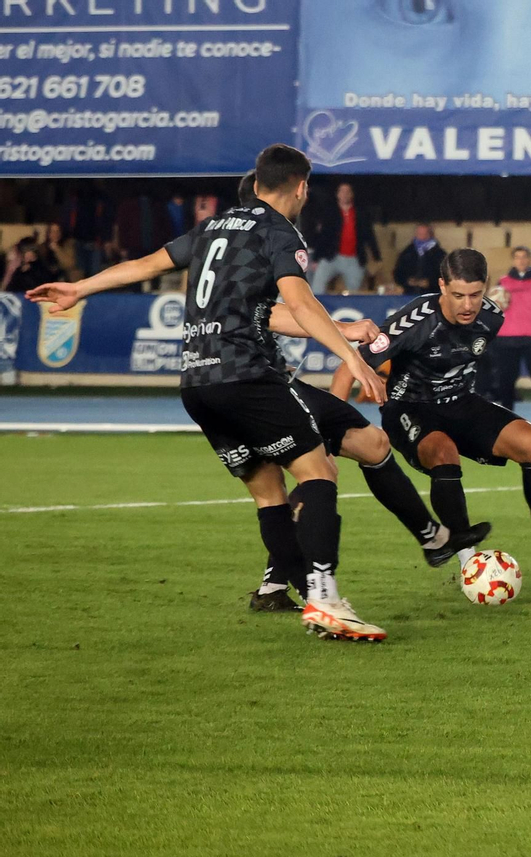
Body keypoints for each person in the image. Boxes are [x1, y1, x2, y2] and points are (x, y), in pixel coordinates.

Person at [27, 144, 390, 641]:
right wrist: (351, 357)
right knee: (318, 470)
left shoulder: (213, 227)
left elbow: (148, 264)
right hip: (245, 374)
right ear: (301, 187)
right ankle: (324, 598)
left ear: (258, 182)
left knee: (268, 495)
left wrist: (79, 288)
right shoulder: (280, 232)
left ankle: (304, 595)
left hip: (197, 383)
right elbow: (302, 305)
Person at [230, 170, 475, 614]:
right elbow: (280, 314)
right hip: (259, 385)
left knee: (361, 447)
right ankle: (319, 589)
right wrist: (346, 339)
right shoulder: (261, 245)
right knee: (319, 474)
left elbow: (263, 315)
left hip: (235, 386)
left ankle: (428, 537)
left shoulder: (232, 249)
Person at [330, 248, 531, 588]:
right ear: (441, 286)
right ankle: (468, 558)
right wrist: (332, 427)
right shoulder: (415, 321)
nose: (467, 305)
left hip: (461, 402)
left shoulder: (492, 317)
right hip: (409, 408)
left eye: (475, 295)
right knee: (443, 452)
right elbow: (348, 365)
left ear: (486, 288)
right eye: (458, 295)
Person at [487, 246, 531, 427]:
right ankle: (506, 419)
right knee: (506, 381)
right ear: (513, 260)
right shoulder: (503, 282)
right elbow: (494, 311)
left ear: (529, 259)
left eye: (524, 257)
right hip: (506, 338)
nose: (521, 260)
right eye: (517, 257)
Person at [309, 182, 381, 294]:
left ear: (352, 194)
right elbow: (323, 236)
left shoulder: (361, 213)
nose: (345, 194)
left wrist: (377, 257)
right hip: (331, 257)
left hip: (354, 259)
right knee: (317, 289)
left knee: (353, 293)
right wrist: (316, 259)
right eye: (342, 191)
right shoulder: (329, 212)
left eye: (348, 192)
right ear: (337, 194)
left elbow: (369, 235)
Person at [393, 224, 446, 295]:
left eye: (423, 234)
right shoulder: (407, 252)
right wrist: (407, 281)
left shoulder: (439, 254)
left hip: (432, 295)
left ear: (430, 234)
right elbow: (398, 272)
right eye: (419, 233)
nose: (420, 236)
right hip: (410, 295)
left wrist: (430, 283)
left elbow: (445, 275)